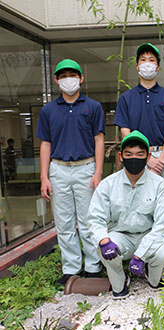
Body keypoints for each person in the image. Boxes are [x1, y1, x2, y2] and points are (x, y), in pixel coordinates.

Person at [36, 59, 105, 285]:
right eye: (63, 75)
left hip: (86, 168)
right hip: (58, 170)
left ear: (81, 78)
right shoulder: (48, 110)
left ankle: (94, 267)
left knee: (88, 221)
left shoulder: (93, 107)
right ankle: (71, 269)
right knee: (64, 223)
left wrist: (98, 172)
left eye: (73, 74)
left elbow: (99, 140)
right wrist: (44, 176)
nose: (69, 79)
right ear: (56, 80)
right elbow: (45, 144)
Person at [87, 131, 164, 299]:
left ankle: (153, 277)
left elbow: (163, 225)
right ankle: (120, 282)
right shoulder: (108, 184)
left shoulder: (160, 185)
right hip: (121, 235)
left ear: (148, 157)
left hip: (148, 235)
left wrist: (140, 254)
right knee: (102, 246)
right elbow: (95, 218)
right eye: (129, 154)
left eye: (140, 154)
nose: (134, 158)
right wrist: (104, 241)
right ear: (120, 156)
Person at [114, 43, 164, 182]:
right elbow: (124, 131)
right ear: (137, 66)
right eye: (143, 59)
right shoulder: (126, 98)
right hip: (137, 155)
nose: (147, 63)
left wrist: (161, 160)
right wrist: (147, 158)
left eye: (151, 60)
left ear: (158, 67)